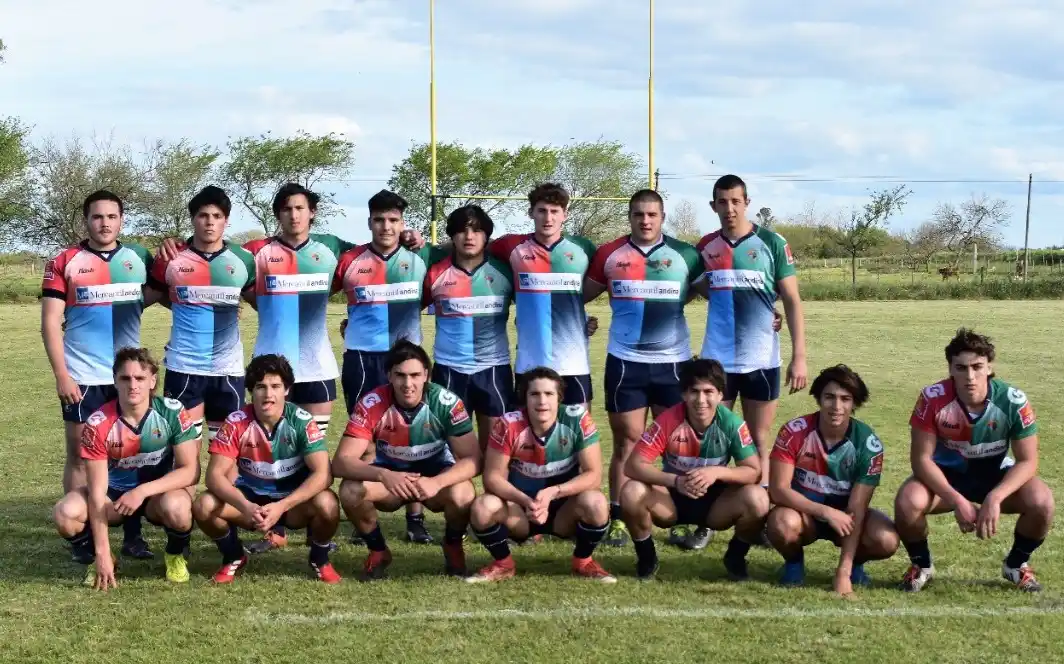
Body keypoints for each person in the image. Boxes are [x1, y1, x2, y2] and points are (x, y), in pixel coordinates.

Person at [164, 182, 352, 554]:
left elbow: (375, 265)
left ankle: (293, 523)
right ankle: (262, 521)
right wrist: (179, 242)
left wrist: (411, 238)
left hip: (317, 369)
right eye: (285, 209)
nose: (294, 215)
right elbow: (215, 255)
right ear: (277, 214)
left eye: (300, 208)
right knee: (258, 449)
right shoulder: (254, 253)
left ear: (312, 211)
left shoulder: (334, 249)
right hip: (271, 371)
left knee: (308, 451)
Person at [42, 189, 163, 560]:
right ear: (86, 220)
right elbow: (49, 323)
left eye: (112, 217)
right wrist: (63, 376)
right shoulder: (65, 260)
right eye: (97, 217)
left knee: (131, 456)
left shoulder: (140, 257)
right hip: (82, 376)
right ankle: (81, 538)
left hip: (127, 376)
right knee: (80, 457)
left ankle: (132, 533)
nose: (105, 223)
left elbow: (169, 290)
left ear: (121, 220)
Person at [584, 189, 703, 548]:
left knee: (676, 445)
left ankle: (679, 517)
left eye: (652, 214)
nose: (645, 221)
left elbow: (713, 293)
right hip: (626, 363)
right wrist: (582, 318)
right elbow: (574, 295)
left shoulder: (685, 255)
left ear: (662, 217)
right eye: (638, 214)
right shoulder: (609, 254)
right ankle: (619, 516)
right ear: (630, 217)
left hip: (672, 364)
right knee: (627, 443)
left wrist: (768, 316)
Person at [894, 328, 1054, 592]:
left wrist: (995, 497)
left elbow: (1028, 462)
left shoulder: (1013, 401)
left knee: (1042, 501)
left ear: (989, 367)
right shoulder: (932, 398)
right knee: (907, 501)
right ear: (950, 369)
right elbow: (921, 460)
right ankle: (922, 566)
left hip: (994, 475)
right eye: (961, 367)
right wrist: (957, 499)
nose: (969, 376)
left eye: (977, 367)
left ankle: (1016, 565)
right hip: (947, 479)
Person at [333, 189, 443, 545]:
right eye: (379, 220)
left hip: (407, 361)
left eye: (393, 220)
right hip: (363, 359)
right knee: (366, 439)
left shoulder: (420, 255)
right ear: (369, 222)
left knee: (416, 436)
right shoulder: (349, 259)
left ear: (403, 223)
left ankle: (416, 518)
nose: (386, 226)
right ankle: (364, 513)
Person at [51, 347, 200, 589]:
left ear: (152, 381)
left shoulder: (172, 412)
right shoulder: (98, 423)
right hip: (115, 499)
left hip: (155, 497)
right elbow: (98, 494)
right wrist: (102, 552)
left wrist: (142, 491)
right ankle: (102, 560)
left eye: (140, 378)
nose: (133, 385)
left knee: (179, 508)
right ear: (115, 381)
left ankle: (174, 555)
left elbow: (190, 470)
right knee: (65, 513)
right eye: (125, 378)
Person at [694, 174, 808, 488]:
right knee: (713, 440)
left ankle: (763, 510)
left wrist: (799, 357)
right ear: (713, 205)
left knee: (759, 439)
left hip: (761, 360)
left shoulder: (772, 243)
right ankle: (705, 517)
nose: (729, 208)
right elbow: (700, 289)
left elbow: (793, 301)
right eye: (722, 202)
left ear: (747, 203)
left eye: (735, 201)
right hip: (717, 362)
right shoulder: (705, 247)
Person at [332, 340, 480, 580]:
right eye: (400, 375)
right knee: (350, 491)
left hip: (432, 480)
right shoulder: (373, 403)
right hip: (390, 481)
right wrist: (383, 475)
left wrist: (438, 483)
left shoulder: (447, 403)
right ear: (389, 375)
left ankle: (453, 545)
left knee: (462, 492)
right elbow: (341, 462)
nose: (407, 383)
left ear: (426, 375)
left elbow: (474, 459)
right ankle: (378, 550)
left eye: (414, 375)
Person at [192, 354, 341, 584]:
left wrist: (282, 506)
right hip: (251, 502)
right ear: (251, 391)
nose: (268, 394)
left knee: (328, 503)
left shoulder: (301, 420)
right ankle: (233, 556)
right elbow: (214, 477)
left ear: (287, 390)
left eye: (275, 386)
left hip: (291, 504)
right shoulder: (236, 421)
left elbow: (324, 474)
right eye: (261, 387)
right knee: (204, 505)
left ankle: (319, 559)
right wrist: (247, 507)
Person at [621, 358, 768, 581]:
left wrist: (716, 472)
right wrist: (675, 481)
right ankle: (646, 557)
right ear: (683, 394)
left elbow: (753, 471)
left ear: (720, 395)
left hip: (715, 504)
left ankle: (735, 557)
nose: (701, 400)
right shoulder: (668, 420)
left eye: (708, 392)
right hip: (672, 500)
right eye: (694, 391)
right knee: (631, 491)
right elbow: (633, 465)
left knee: (758, 498)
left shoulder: (731, 423)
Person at [465, 367, 615, 583]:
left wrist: (553, 492)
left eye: (549, 394)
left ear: (559, 398)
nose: (541, 401)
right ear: (525, 398)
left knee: (597, 503)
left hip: (563, 510)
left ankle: (583, 562)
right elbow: (492, 478)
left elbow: (593, 475)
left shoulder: (578, 420)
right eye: (534, 394)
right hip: (520, 511)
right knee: (482, 507)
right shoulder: (508, 424)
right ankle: (503, 564)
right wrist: (527, 501)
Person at [766, 365, 899, 594]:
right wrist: (825, 512)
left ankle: (855, 564)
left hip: (846, 518)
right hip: (804, 513)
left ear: (854, 403)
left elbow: (856, 509)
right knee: (781, 523)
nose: (836, 407)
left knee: (886, 539)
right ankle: (794, 563)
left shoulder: (868, 444)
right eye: (829, 397)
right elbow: (778, 491)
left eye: (845, 399)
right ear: (818, 399)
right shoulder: (794, 432)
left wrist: (843, 572)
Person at [147, 185, 255, 443]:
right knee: (183, 452)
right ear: (193, 219)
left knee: (227, 454)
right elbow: (146, 296)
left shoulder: (243, 259)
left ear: (226, 222)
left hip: (227, 371)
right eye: (203, 215)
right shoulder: (171, 258)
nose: (210, 222)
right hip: (184, 368)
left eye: (217, 216)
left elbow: (264, 301)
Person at [423, 205, 515, 450]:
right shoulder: (435, 273)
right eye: (462, 230)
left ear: (487, 236)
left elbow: (539, 302)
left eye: (477, 230)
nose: (469, 236)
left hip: (494, 369)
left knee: (497, 449)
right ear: (452, 236)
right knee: (448, 452)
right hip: (450, 370)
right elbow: (405, 310)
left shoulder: (505, 270)